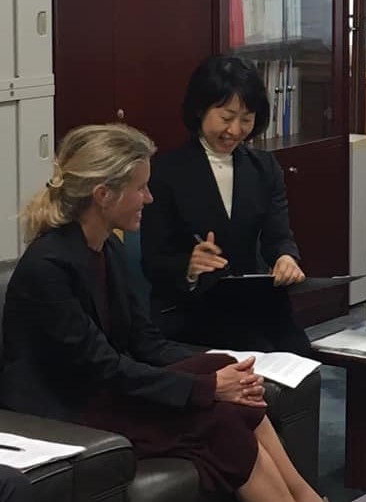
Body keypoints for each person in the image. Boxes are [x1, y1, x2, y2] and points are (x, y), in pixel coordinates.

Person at [0, 124, 323, 502]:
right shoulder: (48, 267)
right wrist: (207, 388)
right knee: (220, 417)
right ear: (103, 195)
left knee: (220, 366)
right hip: (66, 407)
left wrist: (223, 371)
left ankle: (307, 497)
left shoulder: (108, 248)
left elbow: (145, 341)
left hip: (102, 388)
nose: (149, 198)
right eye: (140, 188)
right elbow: (100, 366)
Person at [141, 55, 312, 356]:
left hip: (254, 304)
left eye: (246, 119)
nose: (235, 130)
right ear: (200, 109)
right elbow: (154, 260)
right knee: (258, 357)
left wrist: (286, 258)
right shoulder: (166, 172)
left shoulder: (265, 168)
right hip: (194, 308)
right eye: (226, 117)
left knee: (300, 353)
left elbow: (278, 236)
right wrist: (189, 265)